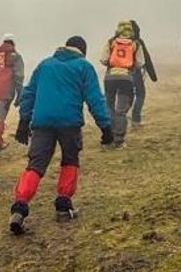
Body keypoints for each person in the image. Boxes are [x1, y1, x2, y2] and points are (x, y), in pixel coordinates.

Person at [8, 36, 112, 235]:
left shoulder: (44, 65)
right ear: (83, 50)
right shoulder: (83, 67)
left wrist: (24, 121)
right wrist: (105, 126)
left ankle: (19, 208)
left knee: (35, 165)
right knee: (70, 160)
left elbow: (29, 93)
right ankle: (63, 207)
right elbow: (94, 98)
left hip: (42, 122)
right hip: (69, 123)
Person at [99, 21, 144, 148]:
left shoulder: (111, 42)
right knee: (121, 110)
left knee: (109, 106)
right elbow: (140, 63)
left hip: (110, 78)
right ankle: (119, 140)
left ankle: (108, 137)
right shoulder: (135, 44)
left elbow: (103, 59)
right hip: (126, 78)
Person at [129, 20, 158, 129]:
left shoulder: (117, 42)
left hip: (118, 74)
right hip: (134, 72)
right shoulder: (138, 42)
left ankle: (120, 119)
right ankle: (136, 120)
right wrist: (153, 76)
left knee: (125, 96)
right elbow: (146, 59)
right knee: (140, 94)